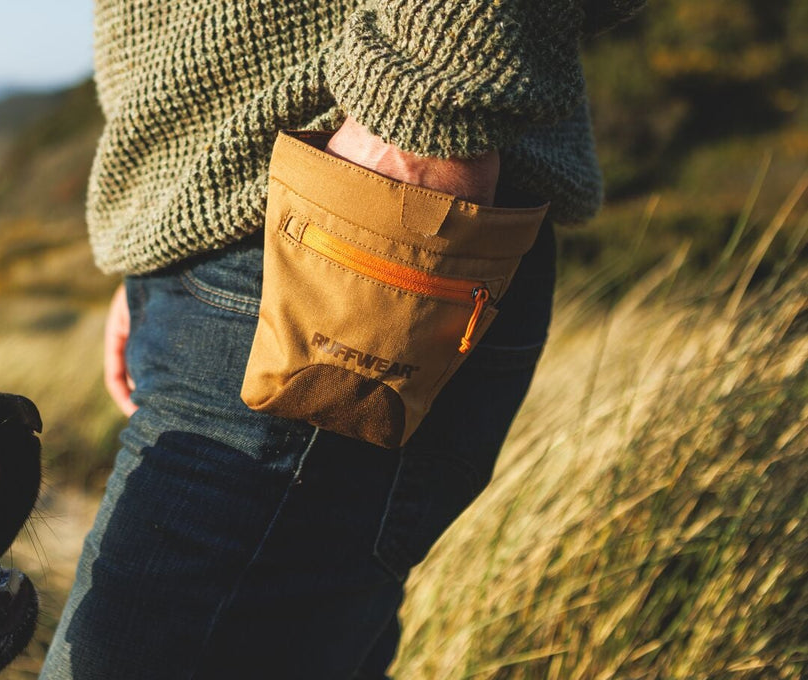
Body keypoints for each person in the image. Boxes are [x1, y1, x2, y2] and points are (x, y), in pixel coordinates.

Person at [40, 1, 645, 678]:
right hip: (228, 237)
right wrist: (152, 239)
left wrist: (423, 107)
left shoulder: (409, 127)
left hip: (356, 214)